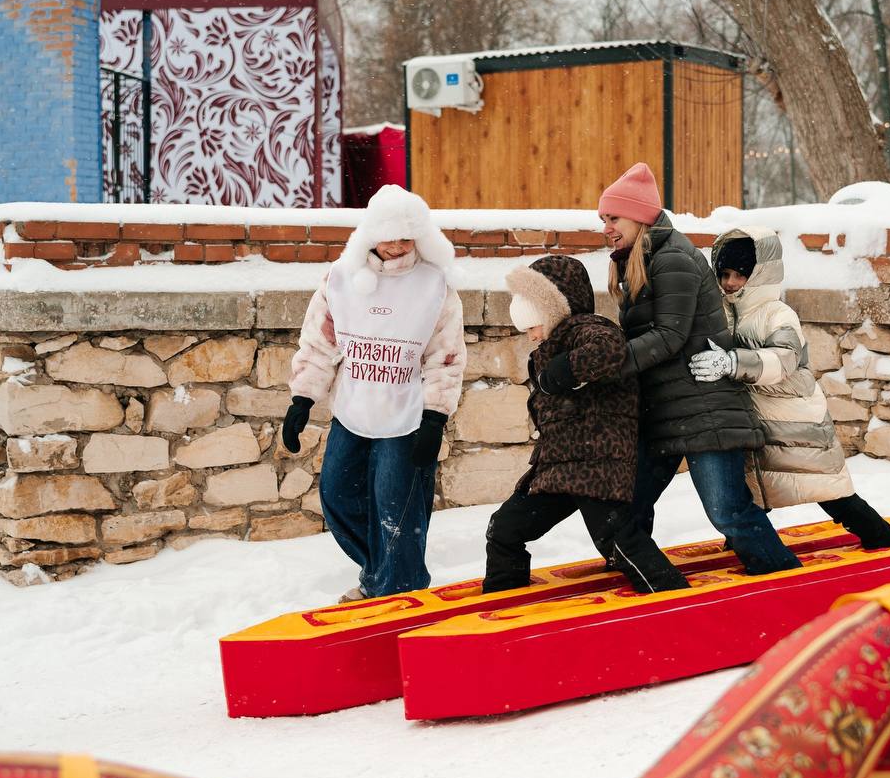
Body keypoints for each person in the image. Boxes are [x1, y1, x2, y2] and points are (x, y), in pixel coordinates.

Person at [601, 163, 802, 575]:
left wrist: (607, 364)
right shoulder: (641, 259)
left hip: (703, 409)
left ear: (639, 217)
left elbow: (668, 335)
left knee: (727, 512)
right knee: (626, 507)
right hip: (665, 412)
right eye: (603, 219)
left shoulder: (672, 257)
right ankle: (648, 585)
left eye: (613, 218)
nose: (606, 227)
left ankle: (784, 579)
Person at [282, 185, 467, 602]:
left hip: (406, 417)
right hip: (354, 410)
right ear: (370, 233)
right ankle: (387, 574)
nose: (398, 245)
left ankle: (395, 590)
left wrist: (435, 417)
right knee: (338, 495)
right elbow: (320, 342)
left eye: (407, 235)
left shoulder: (434, 285)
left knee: (396, 512)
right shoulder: (340, 278)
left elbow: (446, 356)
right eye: (390, 234)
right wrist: (302, 399)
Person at [688, 227, 890, 549]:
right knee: (751, 489)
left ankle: (884, 542)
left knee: (831, 493)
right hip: (760, 422)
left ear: (761, 274)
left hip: (795, 421)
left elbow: (785, 357)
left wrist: (732, 363)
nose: (731, 283)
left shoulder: (777, 314)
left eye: (741, 275)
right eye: (725, 274)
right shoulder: (726, 313)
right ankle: (749, 547)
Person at [482, 255, 690, 594]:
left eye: (533, 325)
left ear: (551, 309)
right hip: (559, 469)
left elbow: (608, 349)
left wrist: (562, 372)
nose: (532, 337)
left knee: (616, 541)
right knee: (504, 528)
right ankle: (505, 602)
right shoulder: (549, 347)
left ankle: (671, 598)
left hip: (596, 465)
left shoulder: (585, 329)